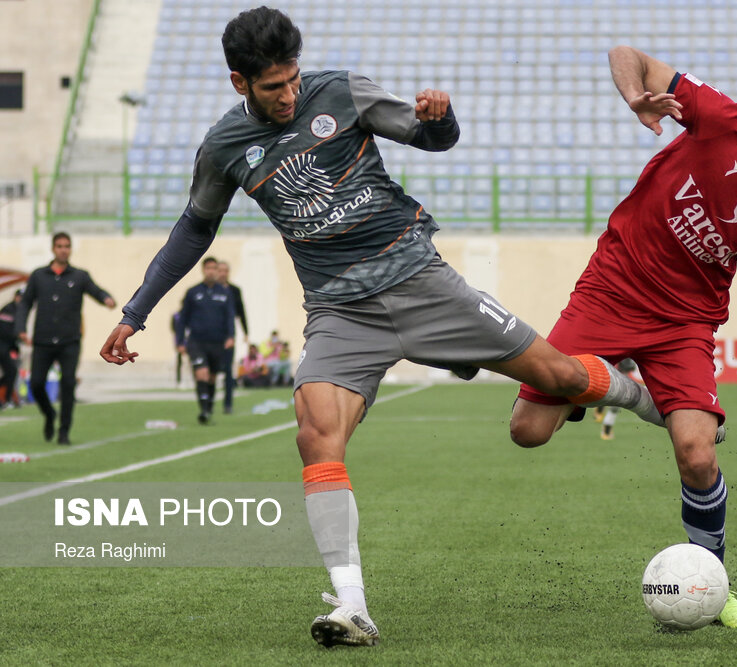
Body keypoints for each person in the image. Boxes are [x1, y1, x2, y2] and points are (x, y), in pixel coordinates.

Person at [99, 7, 660, 648]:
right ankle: (352, 606)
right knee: (316, 431)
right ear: (239, 83)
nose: (288, 96)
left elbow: (434, 140)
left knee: (561, 375)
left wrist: (437, 116)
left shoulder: (343, 90)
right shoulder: (225, 147)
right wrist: (135, 312)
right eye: (271, 87)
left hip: (422, 282)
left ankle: (650, 402)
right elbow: (195, 228)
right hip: (341, 314)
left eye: (292, 80)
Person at [510, 46, 737, 631]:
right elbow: (627, 55)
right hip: (612, 290)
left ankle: (715, 591)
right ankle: (638, 397)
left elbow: (717, 251)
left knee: (697, 453)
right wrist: (636, 99)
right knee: (527, 432)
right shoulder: (727, 120)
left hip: (685, 324)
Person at [16, 232, 116, 444]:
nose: (63, 249)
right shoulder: (38, 276)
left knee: (68, 383)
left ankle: (64, 431)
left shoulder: (79, 276)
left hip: (69, 341)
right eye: (60, 246)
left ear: (70, 250)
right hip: (43, 340)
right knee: (35, 384)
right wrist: (21, 328)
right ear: (53, 249)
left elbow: (96, 291)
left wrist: (106, 298)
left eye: (67, 246)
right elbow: (25, 303)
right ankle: (49, 414)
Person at [176, 257, 235, 424]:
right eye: (208, 268)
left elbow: (230, 317)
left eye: (214, 268)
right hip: (197, 341)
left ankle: (209, 407)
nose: (211, 271)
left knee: (212, 377)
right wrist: (180, 341)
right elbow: (183, 319)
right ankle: (203, 410)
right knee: (201, 373)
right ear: (203, 270)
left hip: (217, 342)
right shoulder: (193, 292)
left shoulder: (225, 293)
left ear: (217, 271)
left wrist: (231, 336)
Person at [217, 261, 247, 413]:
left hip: (228, 335)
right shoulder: (208, 290)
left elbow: (241, 311)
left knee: (228, 370)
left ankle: (228, 404)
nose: (223, 273)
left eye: (225, 271)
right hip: (212, 334)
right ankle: (207, 404)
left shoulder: (234, 290)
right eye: (220, 270)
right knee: (211, 370)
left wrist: (245, 332)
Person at [0, 289, 23, 408]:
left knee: (11, 372)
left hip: (7, 347)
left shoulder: (19, 310)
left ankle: (7, 399)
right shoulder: (8, 310)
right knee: (11, 371)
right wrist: (18, 338)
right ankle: (7, 399)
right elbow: (5, 331)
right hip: (2, 346)